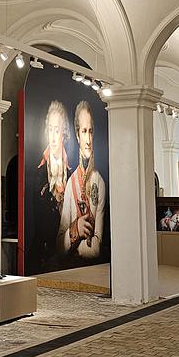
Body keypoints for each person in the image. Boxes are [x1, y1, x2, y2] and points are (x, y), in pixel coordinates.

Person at [58, 100, 106, 258]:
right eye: (84, 131)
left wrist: (74, 246)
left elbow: (96, 249)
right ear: (78, 136)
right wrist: (75, 229)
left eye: (91, 131)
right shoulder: (71, 183)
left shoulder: (99, 181)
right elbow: (59, 245)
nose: (88, 140)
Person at [38, 100, 70, 211]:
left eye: (56, 131)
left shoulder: (71, 172)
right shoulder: (39, 173)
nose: (52, 137)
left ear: (63, 134)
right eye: (50, 130)